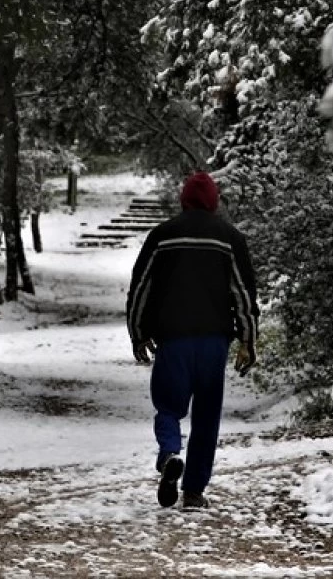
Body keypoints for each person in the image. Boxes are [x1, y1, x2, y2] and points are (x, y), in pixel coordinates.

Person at [126, 171, 258, 509]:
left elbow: (141, 287)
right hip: (214, 342)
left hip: (173, 340)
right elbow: (243, 293)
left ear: (183, 199)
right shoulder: (230, 238)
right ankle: (194, 491)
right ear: (214, 201)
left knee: (168, 407)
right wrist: (247, 340)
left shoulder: (162, 235)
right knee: (207, 415)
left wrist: (138, 333)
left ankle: (170, 453)